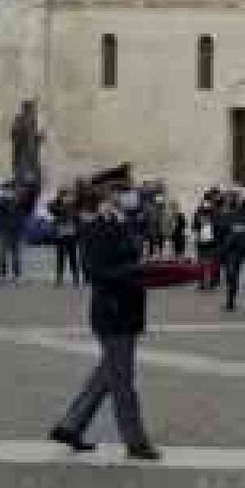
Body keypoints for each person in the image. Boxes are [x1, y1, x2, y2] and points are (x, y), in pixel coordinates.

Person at [49, 190, 162, 461]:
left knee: (107, 374)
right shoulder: (95, 229)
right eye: (119, 194)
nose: (127, 198)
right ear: (105, 201)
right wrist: (137, 271)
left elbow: (131, 257)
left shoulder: (126, 224)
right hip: (111, 312)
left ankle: (70, 426)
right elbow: (95, 271)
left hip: (128, 310)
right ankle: (135, 440)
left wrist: (146, 267)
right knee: (122, 379)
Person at [0, 183, 26, 284]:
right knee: (2, 254)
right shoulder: (0, 202)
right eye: (6, 190)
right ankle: (3, 275)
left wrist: (21, 229)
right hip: (4, 230)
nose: (9, 192)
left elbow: (21, 216)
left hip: (15, 231)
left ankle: (16, 276)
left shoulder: (18, 202)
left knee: (15, 255)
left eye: (11, 190)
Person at [49, 190, 81, 287]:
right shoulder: (57, 206)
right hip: (60, 235)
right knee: (60, 258)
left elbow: (76, 218)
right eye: (64, 196)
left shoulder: (73, 207)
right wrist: (58, 200)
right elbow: (51, 208)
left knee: (73, 258)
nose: (66, 198)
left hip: (70, 235)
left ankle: (75, 279)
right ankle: (59, 279)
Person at [194, 201, 221, 290]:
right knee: (205, 263)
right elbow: (195, 228)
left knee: (208, 263)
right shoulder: (199, 219)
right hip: (204, 243)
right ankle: (204, 281)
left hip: (209, 243)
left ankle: (209, 281)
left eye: (207, 211)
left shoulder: (214, 220)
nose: (205, 213)